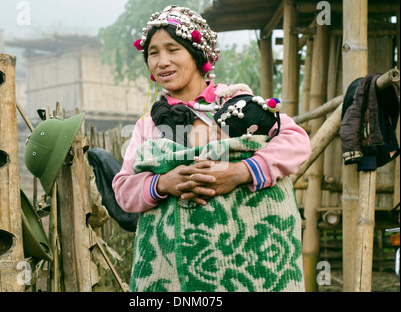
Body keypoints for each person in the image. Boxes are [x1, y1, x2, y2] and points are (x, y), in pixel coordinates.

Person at [112, 5, 311, 292]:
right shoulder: (148, 125)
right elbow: (123, 189)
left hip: (244, 261)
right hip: (174, 272)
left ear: (197, 53)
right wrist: (163, 182)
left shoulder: (236, 104)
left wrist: (241, 171)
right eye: (153, 53)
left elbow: (296, 141)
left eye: (172, 49)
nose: (162, 61)